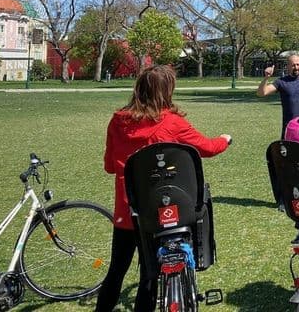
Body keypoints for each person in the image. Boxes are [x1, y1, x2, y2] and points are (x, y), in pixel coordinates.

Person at [95, 65, 232, 312]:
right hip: (163, 211)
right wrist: (225, 139)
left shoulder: (118, 121)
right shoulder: (173, 123)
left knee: (116, 271)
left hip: (128, 211)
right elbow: (208, 148)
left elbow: (109, 166)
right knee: (149, 276)